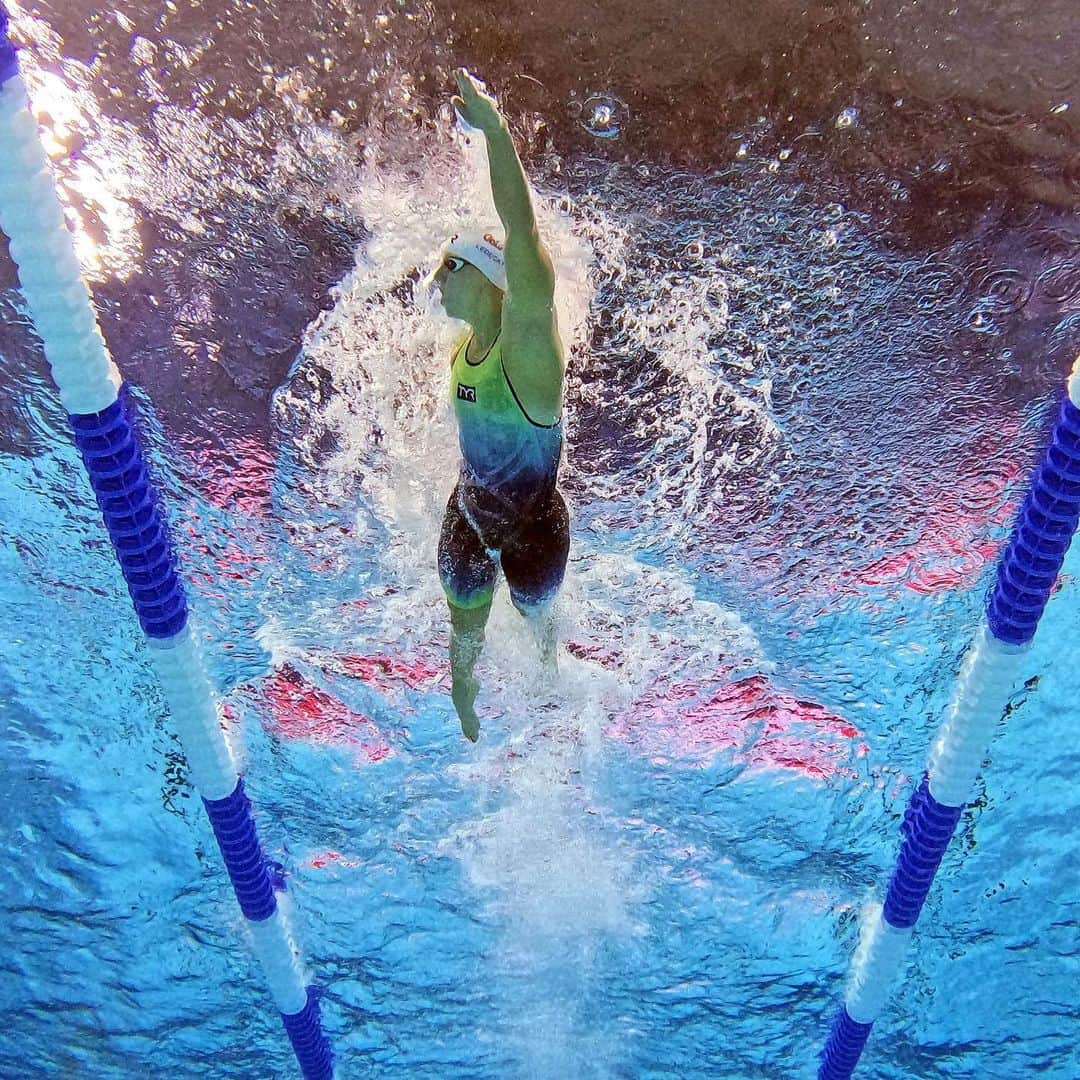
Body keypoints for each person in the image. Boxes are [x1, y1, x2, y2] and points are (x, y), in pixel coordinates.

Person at [428, 69, 569, 742]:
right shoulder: (465, 350)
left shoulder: (528, 357)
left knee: (540, 625)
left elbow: (523, 235)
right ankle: (464, 695)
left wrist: (496, 135)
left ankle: (550, 688)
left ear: (486, 279)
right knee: (463, 631)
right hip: (470, 515)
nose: (435, 280)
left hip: (535, 529)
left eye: (447, 267)